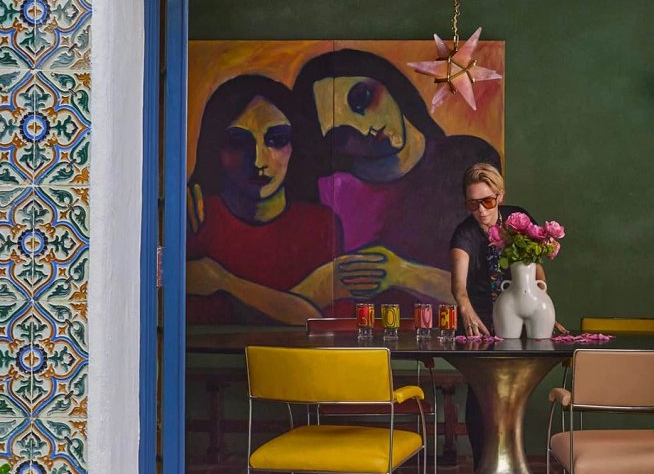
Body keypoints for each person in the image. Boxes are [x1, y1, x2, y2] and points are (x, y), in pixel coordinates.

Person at [294, 48, 500, 310]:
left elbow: (489, 288)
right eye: (342, 135)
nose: (365, 129)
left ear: (389, 83)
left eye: (362, 99)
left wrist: (402, 273)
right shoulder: (329, 190)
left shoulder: (468, 159)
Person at [185, 73, 339, 325]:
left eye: (276, 140)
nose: (258, 161)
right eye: (238, 142)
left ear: (296, 146)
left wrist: (223, 282)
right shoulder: (195, 218)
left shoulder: (320, 225)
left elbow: (318, 323)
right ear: (216, 149)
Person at [448, 162, 548, 462]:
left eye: (487, 201)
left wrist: (542, 304)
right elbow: (458, 285)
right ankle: (483, 467)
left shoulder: (519, 221)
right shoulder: (464, 233)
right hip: (479, 321)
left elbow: (537, 268)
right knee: (480, 393)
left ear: (500, 196)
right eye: (472, 203)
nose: (480, 210)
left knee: (515, 392)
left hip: (519, 317)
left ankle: (514, 463)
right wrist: (465, 307)